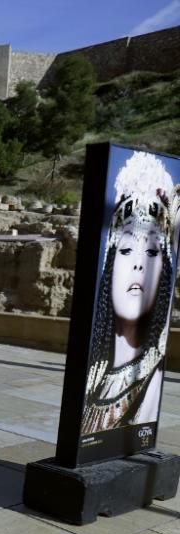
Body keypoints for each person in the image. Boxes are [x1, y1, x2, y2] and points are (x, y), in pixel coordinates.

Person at [81, 152, 178, 435]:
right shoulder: (94, 375)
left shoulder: (151, 383)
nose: (139, 263)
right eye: (126, 250)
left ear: (165, 271)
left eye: (151, 251)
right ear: (110, 263)